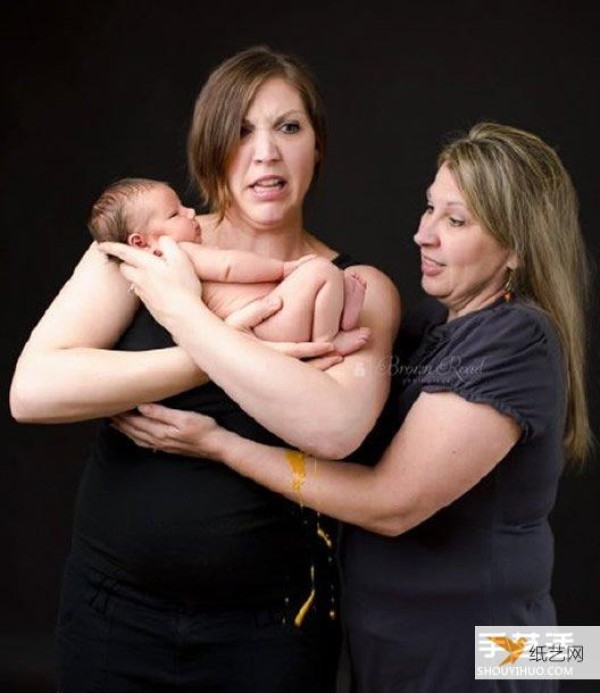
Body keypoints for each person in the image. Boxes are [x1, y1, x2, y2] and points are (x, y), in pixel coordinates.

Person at [107, 122, 591, 692]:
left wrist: (220, 445)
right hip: (397, 642)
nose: (422, 236)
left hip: (473, 650)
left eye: (455, 221)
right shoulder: (431, 325)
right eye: (428, 209)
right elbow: (325, 408)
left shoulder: (518, 337)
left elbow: (393, 504)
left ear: (516, 246)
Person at [9, 45, 400, 692]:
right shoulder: (147, 248)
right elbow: (34, 390)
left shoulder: (354, 285)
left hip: (272, 630)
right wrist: (219, 357)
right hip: (113, 613)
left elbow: (336, 430)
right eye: (242, 130)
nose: (266, 151)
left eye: (288, 127)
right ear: (210, 149)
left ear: (318, 147)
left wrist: (187, 316)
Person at [88, 176, 368, 343]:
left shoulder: (155, 277)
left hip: (268, 318)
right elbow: (230, 266)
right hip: (269, 321)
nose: (191, 213)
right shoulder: (178, 252)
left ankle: (339, 317)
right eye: (175, 214)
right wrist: (283, 268)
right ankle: (328, 339)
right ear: (141, 242)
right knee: (320, 269)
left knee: (324, 280)